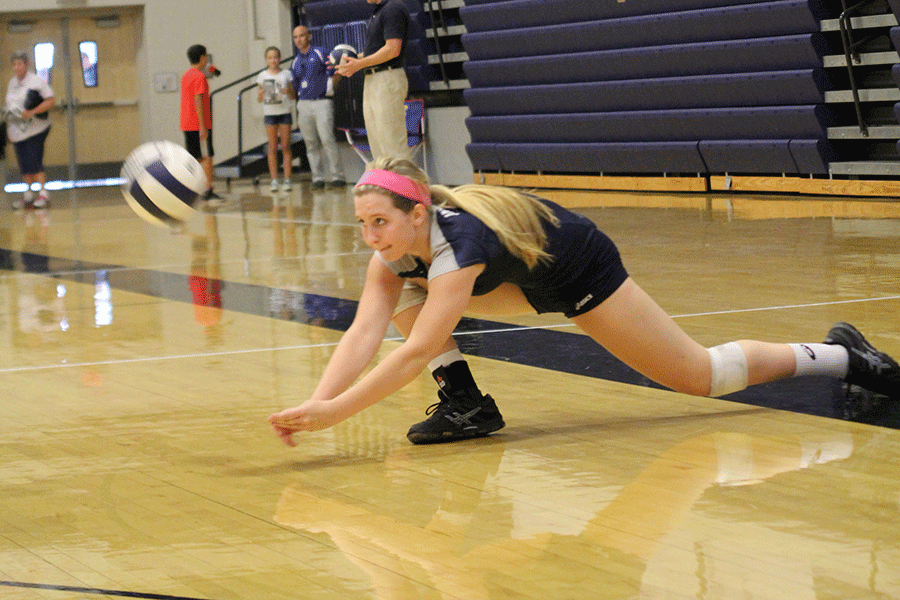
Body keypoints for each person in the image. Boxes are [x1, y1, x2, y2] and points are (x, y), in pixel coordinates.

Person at [268, 158, 900, 447]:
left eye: (379, 222)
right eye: (363, 225)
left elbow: (416, 353)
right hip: (520, 274)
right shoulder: (396, 253)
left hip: (579, 268)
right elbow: (361, 333)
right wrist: (319, 403)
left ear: (417, 212)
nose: (370, 237)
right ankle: (466, 405)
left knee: (703, 376)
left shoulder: (457, 247)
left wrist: (337, 415)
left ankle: (842, 357)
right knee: (407, 295)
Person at [335, 0, 412, 162]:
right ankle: (386, 186)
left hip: (387, 78)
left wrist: (359, 64)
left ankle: (403, 186)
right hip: (372, 79)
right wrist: (350, 61)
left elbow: (392, 49)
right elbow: (374, 51)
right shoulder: (379, 11)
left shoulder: (393, 8)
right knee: (377, 143)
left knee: (392, 143)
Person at [291, 25, 346, 190]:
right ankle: (317, 178)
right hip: (303, 104)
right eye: (296, 37)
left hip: (322, 102)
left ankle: (338, 177)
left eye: (302, 35)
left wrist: (330, 88)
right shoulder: (295, 61)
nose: (299, 39)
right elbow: (295, 85)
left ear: (309, 36)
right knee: (310, 143)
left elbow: (338, 70)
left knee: (327, 139)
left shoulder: (321, 52)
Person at [5, 51, 55, 210]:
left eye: (20, 64)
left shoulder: (36, 82)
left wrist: (33, 112)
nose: (17, 67)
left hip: (36, 129)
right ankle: (28, 195)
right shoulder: (12, 83)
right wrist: (9, 129)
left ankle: (43, 193)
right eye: (15, 64)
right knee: (24, 163)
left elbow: (50, 100)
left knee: (34, 160)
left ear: (26, 65)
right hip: (18, 129)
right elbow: (10, 107)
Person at [180, 44, 221, 201]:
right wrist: (203, 126)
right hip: (198, 124)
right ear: (203, 57)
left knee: (195, 157)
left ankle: (189, 187)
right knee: (206, 157)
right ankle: (207, 190)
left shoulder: (186, 75)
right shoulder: (199, 77)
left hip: (187, 122)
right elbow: (198, 99)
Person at [256, 46, 295, 193]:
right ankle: (274, 180)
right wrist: (261, 94)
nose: (273, 60)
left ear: (279, 58)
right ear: (266, 60)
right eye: (270, 58)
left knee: (285, 146)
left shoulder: (286, 74)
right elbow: (259, 99)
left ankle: (287, 179)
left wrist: (288, 91)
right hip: (270, 113)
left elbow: (293, 95)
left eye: (276, 57)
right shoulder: (262, 76)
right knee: (272, 147)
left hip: (284, 111)